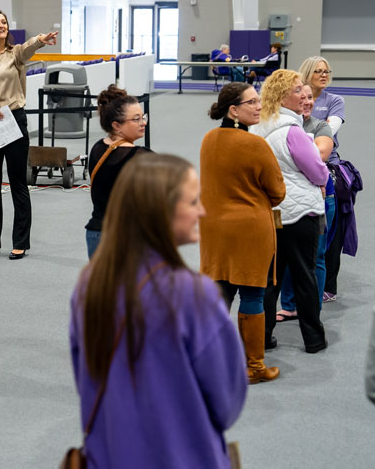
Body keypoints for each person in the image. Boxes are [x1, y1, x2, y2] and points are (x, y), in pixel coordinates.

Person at [70, 154, 247, 469]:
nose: (202, 211)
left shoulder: (89, 285)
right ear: (160, 213)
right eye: (193, 202)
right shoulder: (195, 295)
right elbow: (226, 403)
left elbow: (85, 378)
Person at [199, 82, 286, 384]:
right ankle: (254, 366)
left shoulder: (209, 139)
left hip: (213, 229)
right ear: (233, 110)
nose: (259, 105)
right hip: (249, 229)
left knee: (220, 293)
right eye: (252, 102)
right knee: (252, 294)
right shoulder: (256, 145)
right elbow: (278, 193)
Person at [0, 9, 58, 260]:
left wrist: (41, 39)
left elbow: (29, 48)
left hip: (13, 120)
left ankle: (20, 242)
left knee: (18, 183)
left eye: (4, 22)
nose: (1, 25)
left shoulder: (15, 54)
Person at [250, 69, 328, 353]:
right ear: (283, 97)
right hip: (300, 214)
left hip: (270, 213)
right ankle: (314, 338)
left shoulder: (257, 128)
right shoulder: (292, 131)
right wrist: (322, 179)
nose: (303, 96)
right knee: (304, 276)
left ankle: (264, 335)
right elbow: (318, 171)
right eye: (297, 90)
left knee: (270, 279)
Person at [277, 84, 335, 321]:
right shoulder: (285, 125)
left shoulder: (320, 126)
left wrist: (288, 147)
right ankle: (289, 305)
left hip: (322, 198)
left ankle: (312, 311)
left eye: (311, 98)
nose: (307, 102)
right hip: (288, 200)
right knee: (286, 256)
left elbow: (321, 157)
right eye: (302, 97)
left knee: (316, 257)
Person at [299, 56, 346, 303]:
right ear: (307, 74)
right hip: (297, 167)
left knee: (331, 229)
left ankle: (328, 284)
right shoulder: (297, 97)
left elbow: (329, 130)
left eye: (327, 71)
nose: (324, 75)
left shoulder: (335, 101)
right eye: (318, 71)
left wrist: (299, 137)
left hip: (328, 167)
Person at [84, 84, 150, 259]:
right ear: (117, 125)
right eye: (136, 119)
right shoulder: (141, 157)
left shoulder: (97, 148)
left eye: (143, 117)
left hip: (96, 233)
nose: (143, 123)